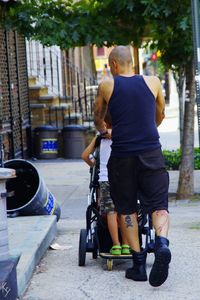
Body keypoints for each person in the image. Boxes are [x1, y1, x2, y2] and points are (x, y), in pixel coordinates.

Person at [94, 45, 171, 287]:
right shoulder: (154, 82)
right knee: (158, 204)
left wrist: (105, 130)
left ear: (114, 64)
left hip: (122, 156)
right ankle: (161, 244)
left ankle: (138, 266)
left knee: (126, 209)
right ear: (132, 63)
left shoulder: (107, 84)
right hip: (151, 152)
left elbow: (98, 117)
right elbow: (159, 115)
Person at [82, 111, 130, 255]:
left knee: (110, 212)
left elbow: (85, 156)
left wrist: (94, 164)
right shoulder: (125, 135)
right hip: (124, 179)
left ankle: (115, 245)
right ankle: (126, 244)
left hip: (105, 179)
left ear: (105, 123)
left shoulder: (99, 139)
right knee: (124, 212)